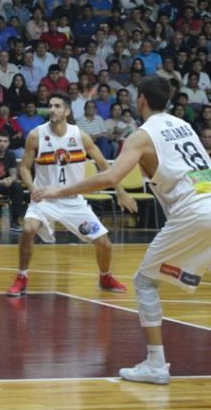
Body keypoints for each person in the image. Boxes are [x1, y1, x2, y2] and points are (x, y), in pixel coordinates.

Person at [33, 76, 211, 385]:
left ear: (141, 99)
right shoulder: (184, 126)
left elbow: (109, 177)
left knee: (144, 282)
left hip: (192, 211)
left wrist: (58, 191)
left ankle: (155, 364)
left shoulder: (141, 136)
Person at [8, 93, 136, 297]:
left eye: (57, 106)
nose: (52, 109)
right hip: (45, 198)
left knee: (104, 243)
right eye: (50, 106)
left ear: (67, 111)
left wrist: (120, 191)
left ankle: (105, 276)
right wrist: (32, 188)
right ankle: (21, 277)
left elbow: (104, 165)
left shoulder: (80, 136)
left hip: (73, 201)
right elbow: (24, 167)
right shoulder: (36, 135)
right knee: (28, 230)